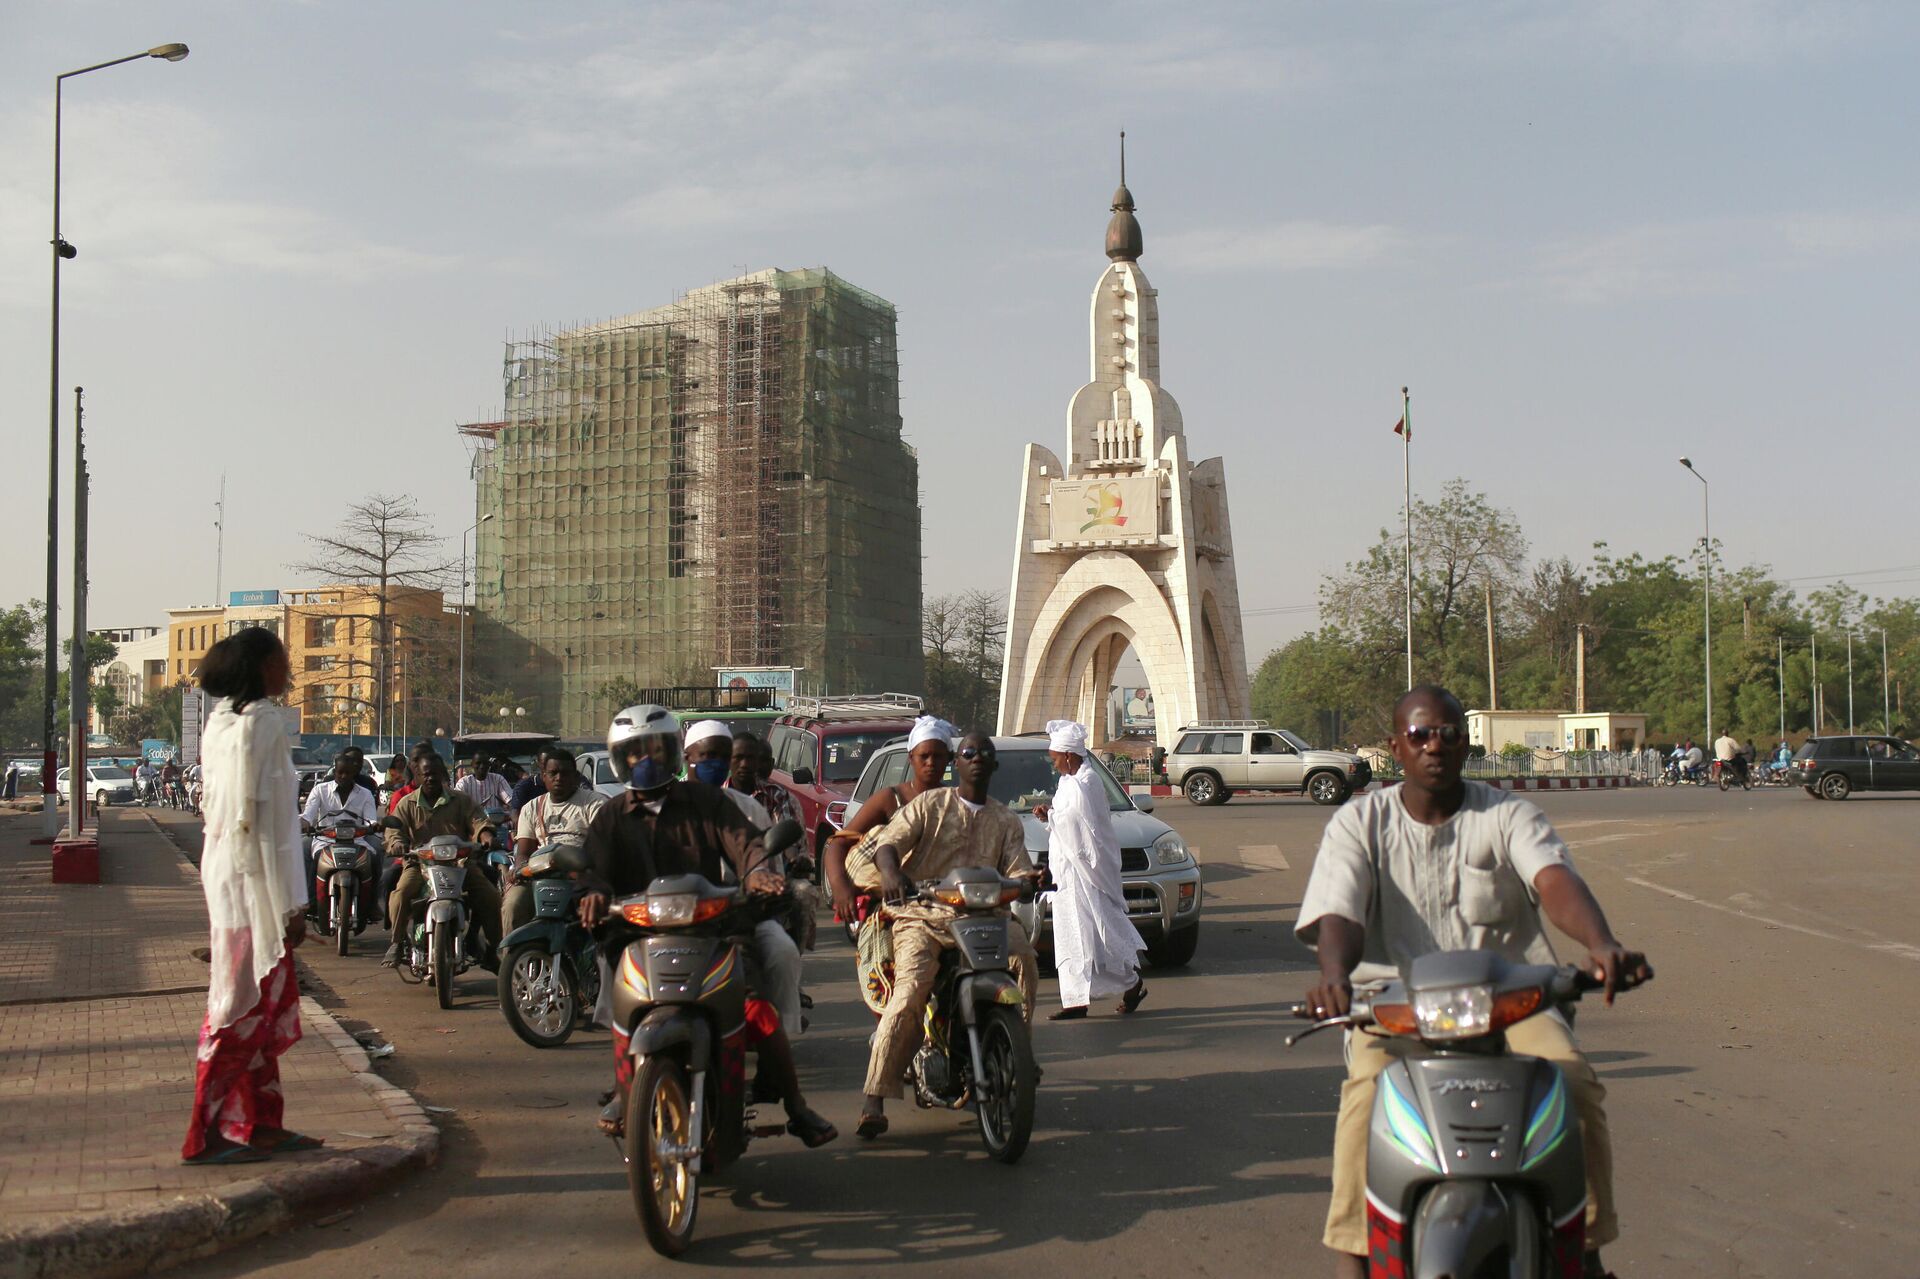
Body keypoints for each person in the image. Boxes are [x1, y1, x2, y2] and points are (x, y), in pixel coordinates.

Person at [1296, 685, 1651, 1279]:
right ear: (1395, 748)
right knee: (1367, 1096)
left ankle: (1584, 1249)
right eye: (1420, 735)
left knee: (1573, 1085)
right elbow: (1340, 913)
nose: (1435, 745)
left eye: (1449, 733)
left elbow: (1554, 880)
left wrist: (1602, 944)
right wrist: (1334, 978)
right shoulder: (1359, 822)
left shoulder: (1507, 814)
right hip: (1395, 1008)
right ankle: (1354, 1256)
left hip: (1512, 1003)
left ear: (1466, 743)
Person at [576, 704, 835, 1148]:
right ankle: (625, 1089)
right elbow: (592, 868)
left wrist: (755, 871)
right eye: (635, 753)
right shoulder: (610, 816)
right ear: (622, 759)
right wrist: (594, 892)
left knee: (755, 1010)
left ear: (673, 754)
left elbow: (745, 843)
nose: (647, 761)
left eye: (656, 750)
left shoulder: (708, 802)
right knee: (624, 1002)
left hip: (713, 929)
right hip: (639, 933)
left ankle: (795, 1104)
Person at [852, 730, 1039, 1140]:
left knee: (1023, 957)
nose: (975, 758)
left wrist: (1028, 882)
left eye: (983, 753)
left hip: (986, 917)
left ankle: (1016, 1052)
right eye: (968, 752)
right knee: (910, 992)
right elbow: (888, 844)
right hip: (923, 916)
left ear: (993, 764)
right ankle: (875, 1097)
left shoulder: (1005, 820)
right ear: (959, 762)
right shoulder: (929, 805)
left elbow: (1019, 869)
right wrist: (890, 873)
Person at [182, 626, 320, 1165]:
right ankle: (206, 1129)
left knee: (257, 1005)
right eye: (283, 660)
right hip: (251, 881)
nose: (288, 669)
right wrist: (288, 904)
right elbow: (263, 823)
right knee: (239, 1005)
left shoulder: (221, 720)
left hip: (226, 873)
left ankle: (261, 1122)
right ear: (264, 667)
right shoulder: (263, 723)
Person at [1032, 719, 1146, 1020]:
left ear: (1069, 756)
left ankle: (1132, 982)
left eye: (1056, 759)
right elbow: (1066, 818)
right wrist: (1050, 815)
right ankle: (1075, 1000)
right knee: (1071, 934)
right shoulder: (1068, 782)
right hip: (1067, 873)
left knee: (1099, 931)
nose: (1054, 765)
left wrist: (1054, 817)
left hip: (1087, 872)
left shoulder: (1089, 782)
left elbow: (1083, 826)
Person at [824, 715, 953, 929]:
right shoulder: (890, 799)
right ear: (911, 758)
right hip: (892, 904)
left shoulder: (954, 802)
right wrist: (840, 887)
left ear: (949, 759)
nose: (931, 763)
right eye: (924, 756)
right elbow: (838, 843)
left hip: (942, 903)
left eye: (938, 757)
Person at [381, 755, 501, 968]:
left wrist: (485, 836)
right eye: (425, 775)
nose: (430, 779)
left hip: (460, 864)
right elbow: (394, 829)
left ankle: (491, 949)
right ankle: (397, 942)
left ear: (443, 776)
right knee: (400, 894)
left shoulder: (461, 800)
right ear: (417, 776)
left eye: (435, 774)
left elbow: (479, 821)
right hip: (420, 865)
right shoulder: (406, 803)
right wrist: (398, 844)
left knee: (490, 896)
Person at [503, 747, 605, 934]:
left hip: (581, 878)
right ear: (543, 777)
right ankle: (511, 958)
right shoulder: (531, 808)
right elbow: (524, 852)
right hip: (540, 877)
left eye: (565, 773)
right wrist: (520, 869)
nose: (559, 778)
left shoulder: (595, 804)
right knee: (512, 904)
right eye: (553, 773)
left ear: (576, 776)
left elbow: (602, 850)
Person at [299, 751, 380, 895]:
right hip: (325, 840)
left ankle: (373, 901)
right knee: (315, 858)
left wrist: (374, 826)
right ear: (334, 771)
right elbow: (308, 816)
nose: (344, 776)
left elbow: (371, 820)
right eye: (340, 772)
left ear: (354, 773)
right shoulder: (320, 790)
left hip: (357, 840)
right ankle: (311, 898)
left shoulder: (365, 793)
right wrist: (302, 824)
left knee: (373, 858)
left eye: (348, 773)